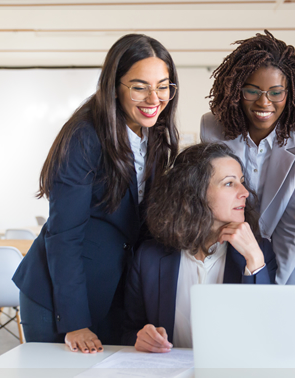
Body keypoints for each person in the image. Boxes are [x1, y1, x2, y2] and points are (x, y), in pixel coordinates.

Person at [12, 34, 180, 353]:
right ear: (115, 86)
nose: (154, 97)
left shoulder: (154, 138)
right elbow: (64, 236)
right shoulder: (85, 137)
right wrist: (74, 322)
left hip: (113, 291)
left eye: (163, 85)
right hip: (59, 298)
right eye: (140, 86)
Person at [201, 30, 295, 285]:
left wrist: (267, 282)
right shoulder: (212, 127)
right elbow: (208, 203)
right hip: (224, 253)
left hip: (287, 266)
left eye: (275, 92)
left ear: (289, 93)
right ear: (238, 89)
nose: (263, 102)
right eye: (252, 91)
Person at [122, 143, 277, 352]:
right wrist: (140, 338)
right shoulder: (148, 257)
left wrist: (255, 261)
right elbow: (128, 329)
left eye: (241, 182)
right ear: (194, 192)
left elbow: (266, 337)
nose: (245, 192)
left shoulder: (259, 253)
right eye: (229, 184)